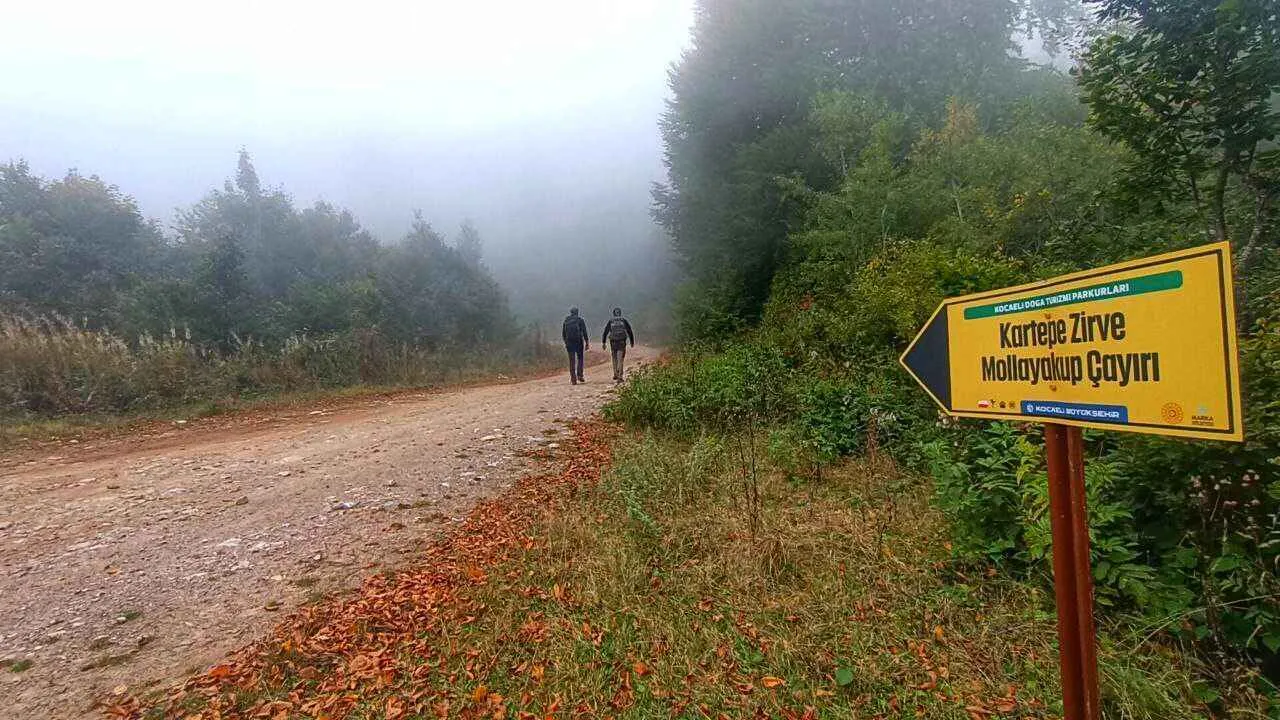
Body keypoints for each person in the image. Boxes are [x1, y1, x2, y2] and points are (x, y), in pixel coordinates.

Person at [601, 307, 635, 384]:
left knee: (614, 358)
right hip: (622, 341)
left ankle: (615, 373)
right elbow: (629, 331)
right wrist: (632, 341)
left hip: (613, 341)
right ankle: (620, 376)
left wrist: (603, 342)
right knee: (620, 358)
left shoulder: (611, 321)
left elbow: (606, 331)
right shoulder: (623, 320)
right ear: (620, 313)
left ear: (614, 313)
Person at [562, 307, 589, 385]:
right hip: (578, 342)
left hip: (569, 343)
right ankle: (580, 375)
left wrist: (566, 342)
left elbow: (563, 333)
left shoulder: (566, 321)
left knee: (572, 360)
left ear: (571, 312)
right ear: (577, 312)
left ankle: (573, 378)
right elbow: (584, 331)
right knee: (580, 358)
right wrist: (587, 342)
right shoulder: (580, 320)